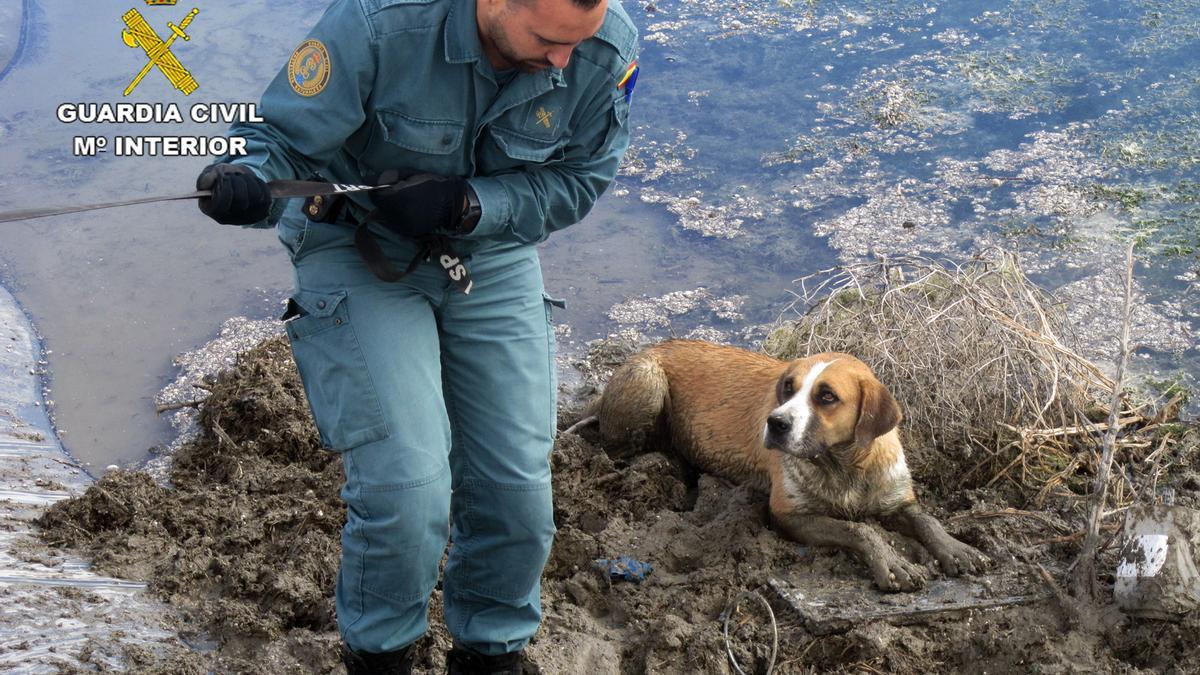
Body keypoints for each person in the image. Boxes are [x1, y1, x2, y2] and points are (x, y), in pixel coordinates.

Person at [194, 0, 638, 671]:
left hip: (487, 252)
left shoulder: (605, 48)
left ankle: (492, 652)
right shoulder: (378, 23)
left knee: (517, 489)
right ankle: (381, 654)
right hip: (355, 241)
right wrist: (245, 181)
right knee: (407, 486)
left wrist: (470, 204)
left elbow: (579, 179)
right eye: (547, 40)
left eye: (576, 43)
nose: (562, 63)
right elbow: (276, 141)